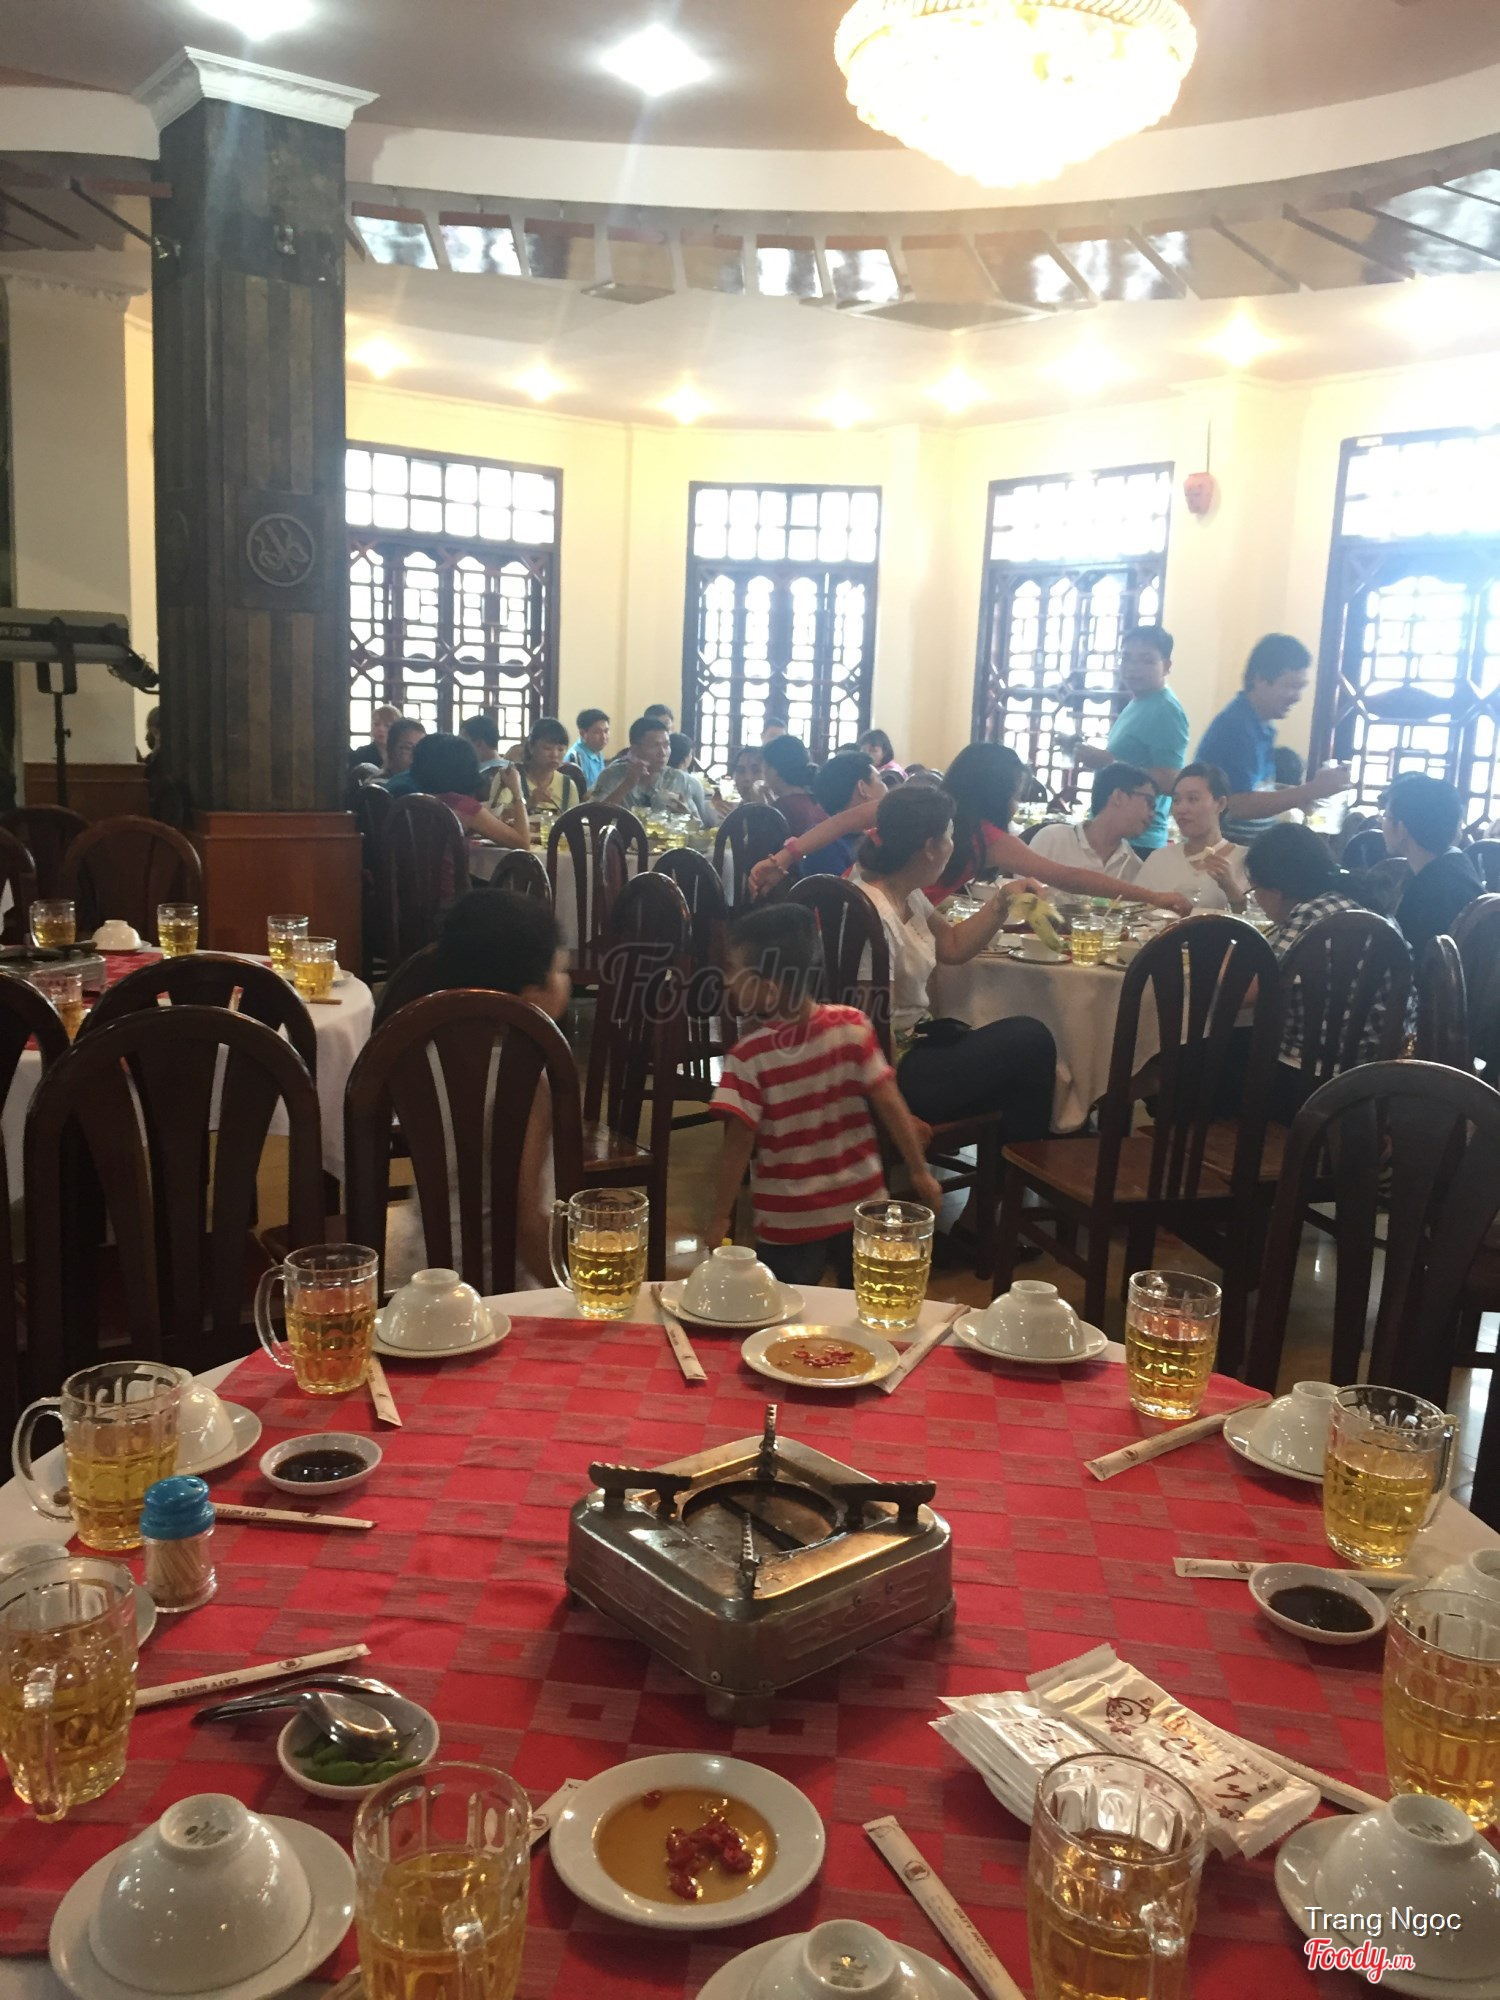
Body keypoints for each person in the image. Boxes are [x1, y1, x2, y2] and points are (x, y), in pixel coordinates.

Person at [850, 788, 1057, 1231]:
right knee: (1031, 1041)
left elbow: (953, 946)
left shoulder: (902, 891)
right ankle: (999, 1213)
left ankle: (990, 1213)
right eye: (948, 835)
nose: (953, 845)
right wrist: (898, 1112)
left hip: (913, 1048)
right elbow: (866, 1024)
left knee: (1019, 1074)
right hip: (890, 1070)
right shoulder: (875, 912)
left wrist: (1002, 901)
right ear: (929, 846)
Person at [707, 904, 943, 1286]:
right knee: (860, 1301)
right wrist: (918, 1170)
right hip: (862, 1204)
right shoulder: (853, 1026)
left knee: (789, 1309)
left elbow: (738, 1145)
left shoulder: (748, 1059)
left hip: (789, 1220)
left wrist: (720, 1215)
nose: (727, 981)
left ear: (769, 988)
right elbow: (890, 1102)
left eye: (734, 971)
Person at [751, 742, 1190, 917]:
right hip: (878, 931)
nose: (1016, 805)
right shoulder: (985, 837)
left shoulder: (923, 798)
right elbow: (1068, 877)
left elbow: (844, 820)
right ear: (997, 792)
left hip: (844, 917)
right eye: (1015, 794)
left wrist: (783, 858)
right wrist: (1152, 897)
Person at [383, 890, 569, 1291]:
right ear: (529, 998)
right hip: (502, 1295)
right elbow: (525, 1221)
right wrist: (576, 1295)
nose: (566, 982)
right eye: (560, 970)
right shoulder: (524, 1081)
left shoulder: (422, 1057)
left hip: (426, 1280)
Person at [1245, 822, 1400, 1113]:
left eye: (1254, 889)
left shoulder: (1310, 915)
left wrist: (1229, 954)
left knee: (1213, 1058)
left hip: (1311, 1075)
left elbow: (1245, 994)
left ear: (1275, 890)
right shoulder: (1361, 899)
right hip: (1376, 1069)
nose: (1256, 899)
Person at [1196, 636, 1351, 841]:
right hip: (1221, 853)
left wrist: (1299, 795)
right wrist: (1311, 790)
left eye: (1301, 687)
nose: (1297, 696)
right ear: (1259, 679)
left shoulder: (1262, 724)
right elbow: (1237, 805)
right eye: (1291, 686)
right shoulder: (1237, 726)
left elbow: (1256, 789)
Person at [1069, 626, 1188, 853]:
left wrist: (1108, 762)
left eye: (1146, 660)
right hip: (1113, 834)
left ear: (1166, 666)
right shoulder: (1139, 703)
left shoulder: (1166, 710)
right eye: (1126, 658)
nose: (1133, 668)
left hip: (1138, 841)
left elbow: (1170, 780)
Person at [1382, 772, 1483, 958]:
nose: (1382, 823)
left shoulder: (1431, 891)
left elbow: (1403, 961)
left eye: (1386, 816)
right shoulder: (1457, 865)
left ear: (1402, 829)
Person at [1135, 763, 1249, 912]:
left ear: (1220, 804)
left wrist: (1231, 888)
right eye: (1176, 800)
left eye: (1193, 799)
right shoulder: (1159, 859)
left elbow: (1258, 921)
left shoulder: (1245, 860)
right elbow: (1134, 912)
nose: (1181, 809)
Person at [1026, 763, 1154, 881]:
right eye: (1149, 802)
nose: (1152, 814)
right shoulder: (1053, 839)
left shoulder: (1133, 866)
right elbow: (1022, 890)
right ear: (1118, 796)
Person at [409, 731, 529, 849]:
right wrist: (517, 792)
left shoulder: (413, 800)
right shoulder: (463, 806)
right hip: (453, 863)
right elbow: (522, 842)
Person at [590, 715, 700, 817]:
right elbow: (594, 816)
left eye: (666, 745)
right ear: (635, 749)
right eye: (655, 746)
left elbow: (699, 825)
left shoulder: (678, 779)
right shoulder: (612, 775)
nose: (663, 753)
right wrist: (627, 784)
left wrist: (687, 815)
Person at [802, 752, 885, 876]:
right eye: (879, 779)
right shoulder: (826, 848)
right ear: (862, 788)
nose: (886, 787)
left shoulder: (869, 835)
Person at [508, 716, 582, 815]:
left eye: (560, 749)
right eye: (547, 748)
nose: (554, 755)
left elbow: (574, 820)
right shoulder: (510, 777)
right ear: (531, 747)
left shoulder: (568, 786)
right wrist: (530, 803)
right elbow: (497, 818)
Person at [761, 735, 827, 839]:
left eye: (764, 768)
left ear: (774, 771)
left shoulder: (782, 808)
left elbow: (759, 845)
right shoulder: (814, 801)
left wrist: (760, 809)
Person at [666, 733, 716, 828]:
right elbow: (702, 818)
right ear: (685, 758)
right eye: (691, 754)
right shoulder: (692, 782)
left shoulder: (657, 776)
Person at [378, 717, 427, 796]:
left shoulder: (423, 783)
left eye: (421, 748)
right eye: (408, 748)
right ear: (391, 750)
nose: (416, 755)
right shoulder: (380, 785)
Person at [717, 744, 769, 812]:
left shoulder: (779, 812)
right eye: (741, 771)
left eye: (756, 771)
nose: (747, 778)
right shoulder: (736, 812)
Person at [350, 702, 401, 771]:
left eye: (387, 726)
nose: (381, 729)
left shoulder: (402, 754)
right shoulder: (361, 754)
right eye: (376, 724)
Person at [569, 708, 610, 790]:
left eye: (606, 731)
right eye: (597, 732)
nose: (604, 737)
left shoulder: (597, 751)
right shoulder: (576, 757)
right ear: (582, 733)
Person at [458, 712, 507, 779]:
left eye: (464, 743)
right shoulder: (515, 770)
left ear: (479, 743)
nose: (461, 749)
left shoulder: (476, 776)